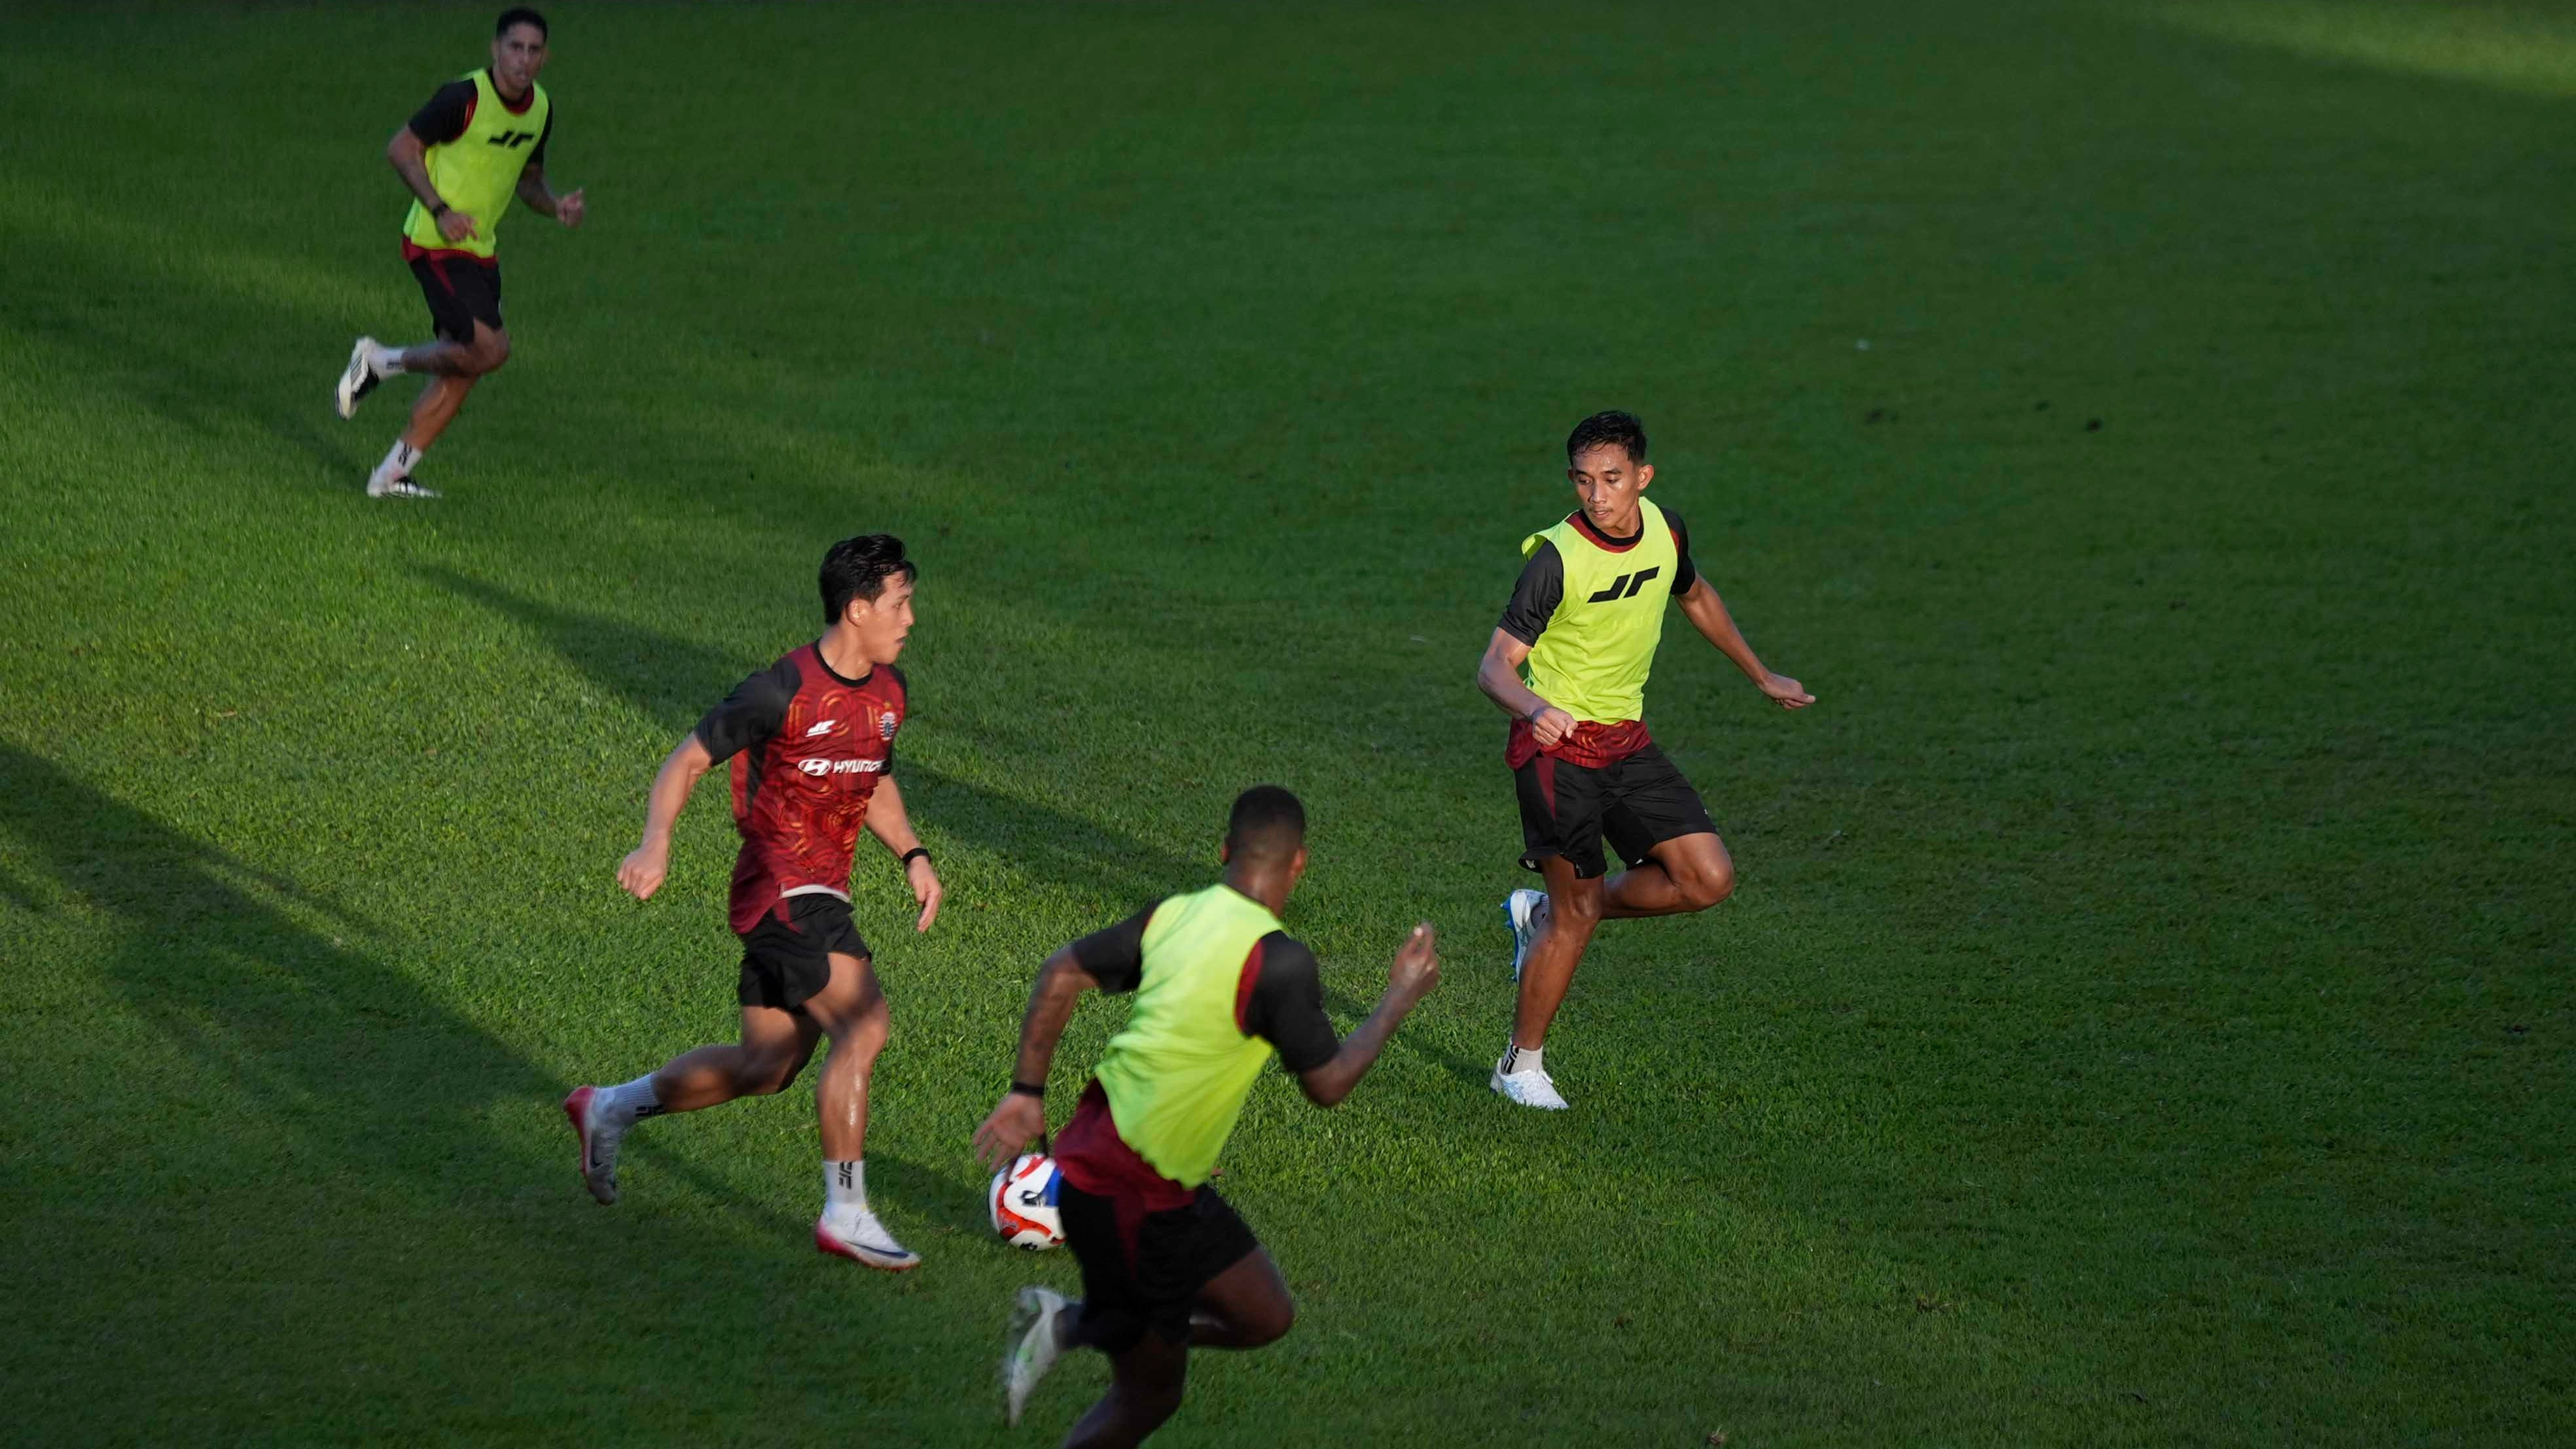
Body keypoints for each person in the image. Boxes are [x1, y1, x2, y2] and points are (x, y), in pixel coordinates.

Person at [971, 786, 1440, 1445]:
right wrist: (1398, 998)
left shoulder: (1174, 915)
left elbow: (1061, 971)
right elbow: (1329, 1084)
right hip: (1132, 1195)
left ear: (1223, 851)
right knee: (1149, 1397)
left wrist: (1026, 1093)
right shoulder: (1279, 961)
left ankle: (1079, 1323)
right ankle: (1087, 1326)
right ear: (1299, 864)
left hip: (1139, 1176)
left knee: (1265, 1316)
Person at [564, 534, 944, 1270]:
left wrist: (913, 854)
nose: (911, 619)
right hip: (781, 886)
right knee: (864, 1027)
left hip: (823, 889)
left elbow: (874, 777)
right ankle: (847, 1211)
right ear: (857, 609)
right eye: (900, 605)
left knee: (766, 1065)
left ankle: (609, 1106)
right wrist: (655, 843)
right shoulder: (781, 690)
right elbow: (691, 757)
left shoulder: (890, 694)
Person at [1472, 410, 1814, 1110]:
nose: (1596, 495)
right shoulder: (1556, 559)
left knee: (1706, 877)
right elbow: (1494, 668)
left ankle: (1544, 913)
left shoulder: (1667, 529)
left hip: (1626, 742)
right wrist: (1535, 710)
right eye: (1583, 480)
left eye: (1612, 479)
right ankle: (1519, 1066)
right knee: (1580, 914)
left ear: (1642, 477)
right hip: (1555, 753)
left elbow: (1695, 595)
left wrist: (1761, 674)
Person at [332, 7, 585, 499]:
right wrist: (440, 210)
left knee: (465, 366)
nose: (524, 60)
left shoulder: (540, 110)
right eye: (515, 48)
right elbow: (401, 148)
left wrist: (554, 205)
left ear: (546, 57)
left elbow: (528, 179)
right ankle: (380, 362)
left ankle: (390, 477)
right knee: (492, 349)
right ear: (495, 49)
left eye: (535, 51)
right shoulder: (463, 97)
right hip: (434, 243)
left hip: (480, 250)